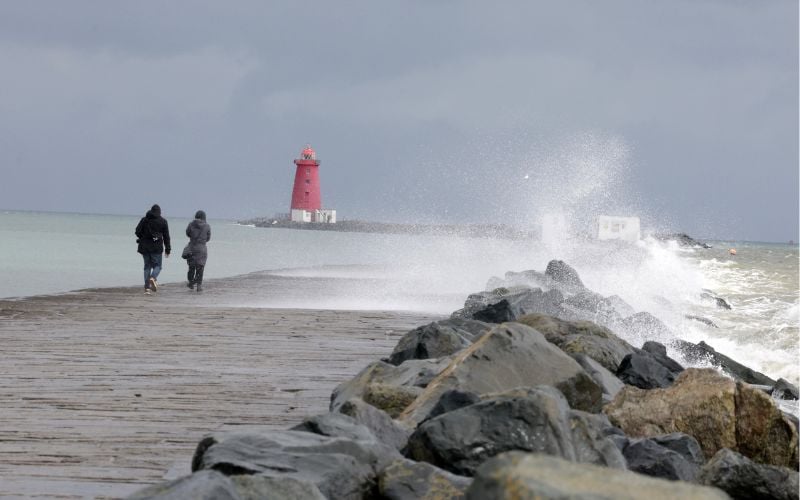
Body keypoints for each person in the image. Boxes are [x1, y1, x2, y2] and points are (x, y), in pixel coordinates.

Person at [135, 204, 171, 294]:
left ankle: (147, 288)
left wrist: (143, 237)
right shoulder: (163, 221)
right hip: (156, 247)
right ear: (159, 212)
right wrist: (168, 249)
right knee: (158, 266)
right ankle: (153, 277)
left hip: (144, 247)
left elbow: (137, 231)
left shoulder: (144, 219)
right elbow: (166, 236)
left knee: (147, 266)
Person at [184, 210, 211, 292]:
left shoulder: (191, 224)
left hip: (192, 247)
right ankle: (199, 286)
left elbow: (187, 233)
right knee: (200, 267)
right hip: (202, 249)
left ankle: (191, 282)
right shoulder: (207, 226)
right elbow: (208, 238)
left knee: (191, 267)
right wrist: (202, 240)